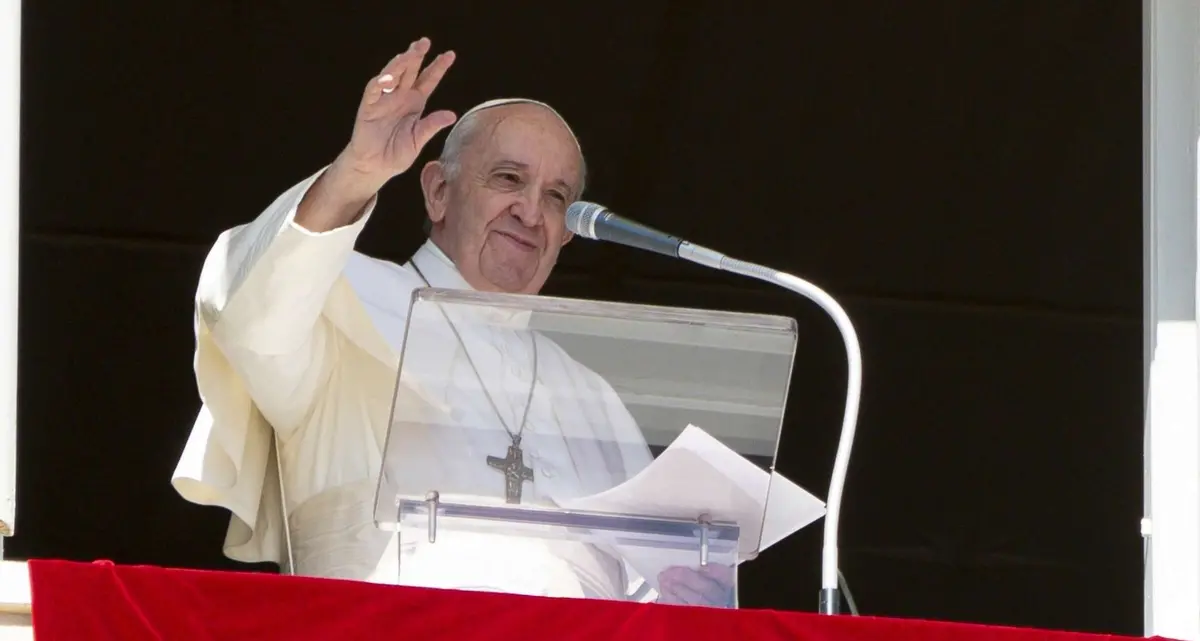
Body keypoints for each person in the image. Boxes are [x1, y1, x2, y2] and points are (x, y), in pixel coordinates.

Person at [170, 36, 733, 606]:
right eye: (508, 179)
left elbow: (646, 593)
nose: (531, 213)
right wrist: (357, 171)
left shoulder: (593, 398)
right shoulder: (342, 300)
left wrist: (692, 593)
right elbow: (248, 316)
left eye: (557, 197)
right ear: (438, 191)